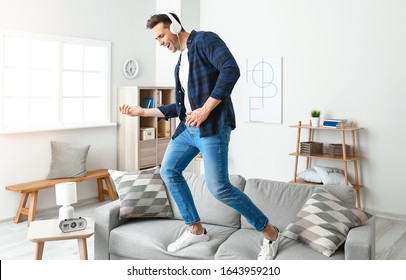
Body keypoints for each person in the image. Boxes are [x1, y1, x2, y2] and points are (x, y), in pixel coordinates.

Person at [119, 12, 281, 260]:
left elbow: (231, 69)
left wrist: (205, 110)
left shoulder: (204, 40)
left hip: (212, 126)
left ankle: (270, 232)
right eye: (157, 39)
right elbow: (181, 109)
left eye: (161, 35)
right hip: (188, 129)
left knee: (219, 187)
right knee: (169, 171)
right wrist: (142, 111)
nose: (160, 42)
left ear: (174, 27)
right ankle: (195, 228)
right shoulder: (180, 63)